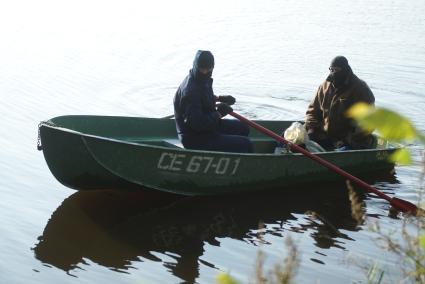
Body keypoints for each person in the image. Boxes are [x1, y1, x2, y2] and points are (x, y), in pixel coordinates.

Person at [173, 50, 253, 153]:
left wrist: (220, 98)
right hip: (194, 137)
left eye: (208, 69)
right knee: (246, 144)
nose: (205, 72)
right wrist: (219, 113)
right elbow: (198, 124)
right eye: (202, 69)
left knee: (244, 128)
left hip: (207, 128)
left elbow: (202, 98)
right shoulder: (190, 91)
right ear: (196, 66)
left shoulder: (200, 80)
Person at [305, 56, 376, 151]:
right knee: (295, 136)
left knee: (343, 149)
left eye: (337, 70)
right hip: (326, 137)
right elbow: (312, 111)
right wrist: (312, 129)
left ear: (345, 70)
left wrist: (348, 140)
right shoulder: (325, 86)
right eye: (331, 69)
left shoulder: (360, 89)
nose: (333, 73)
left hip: (350, 141)